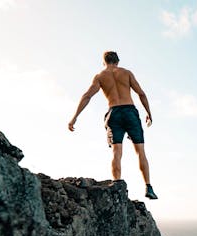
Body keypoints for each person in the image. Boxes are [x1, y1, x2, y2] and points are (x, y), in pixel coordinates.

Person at [68, 51, 158, 199]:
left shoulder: (100, 77)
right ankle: (148, 187)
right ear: (118, 61)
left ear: (104, 62)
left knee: (116, 151)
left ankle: (117, 185)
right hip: (130, 111)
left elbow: (87, 96)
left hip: (114, 113)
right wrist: (149, 112)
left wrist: (74, 117)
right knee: (140, 151)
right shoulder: (126, 73)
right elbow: (141, 94)